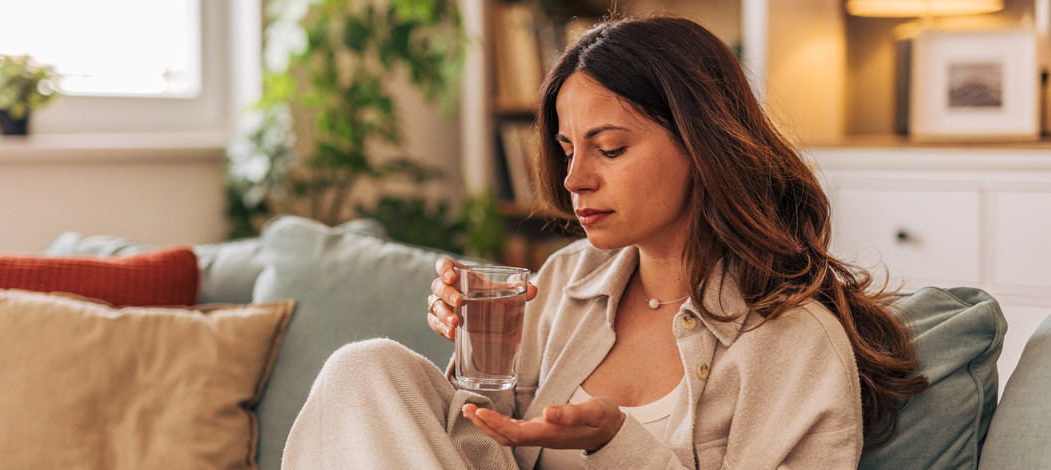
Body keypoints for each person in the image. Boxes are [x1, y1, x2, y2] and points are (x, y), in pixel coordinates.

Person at [282, 16, 927, 469]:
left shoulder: (795, 344)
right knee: (364, 367)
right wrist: (476, 352)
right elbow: (482, 447)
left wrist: (616, 441)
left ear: (702, 146)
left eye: (610, 148)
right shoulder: (565, 279)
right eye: (567, 149)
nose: (574, 181)